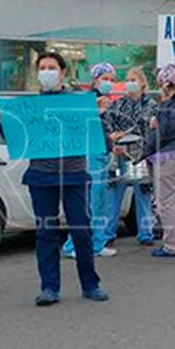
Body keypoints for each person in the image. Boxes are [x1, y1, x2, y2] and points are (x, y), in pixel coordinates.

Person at [0, 52, 108, 305]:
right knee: (46, 233)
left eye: (52, 67)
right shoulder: (29, 107)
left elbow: (97, 137)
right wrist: (1, 124)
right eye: (42, 68)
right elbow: (19, 141)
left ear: (63, 73)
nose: (47, 72)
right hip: (42, 177)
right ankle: (49, 287)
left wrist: (98, 116)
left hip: (74, 175)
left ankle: (90, 284)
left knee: (81, 232)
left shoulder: (78, 104)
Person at [63, 62, 119, 260]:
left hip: (102, 152)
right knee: (89, 203)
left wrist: (112, 142)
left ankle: (97, 242)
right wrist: (97, 111)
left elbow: (103, 129)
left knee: (101, 202)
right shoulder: (88, 100)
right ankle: (72, 245)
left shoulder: (106, 100)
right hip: (90, 154)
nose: (109, 83)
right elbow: (82, 125)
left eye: (112, 79)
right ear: (95, 79)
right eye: (105, 78)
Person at [102, 66, 157, 248]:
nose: (129, 83)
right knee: (114, 196)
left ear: (142, 83)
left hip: (139, 157)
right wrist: (113, 140)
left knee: (142, 195)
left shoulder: (150, 105)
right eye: (127, 79)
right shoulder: (118, 104)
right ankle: (108, 233)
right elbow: (108, 124)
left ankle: (145, 233)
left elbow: (151, 128)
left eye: (133, 80)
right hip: (120, 157)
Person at [145, 64, 175, 257]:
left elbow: (164, 130)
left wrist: (154, 123)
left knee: (166, 201)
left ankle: (171, 244)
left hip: (168, 154)